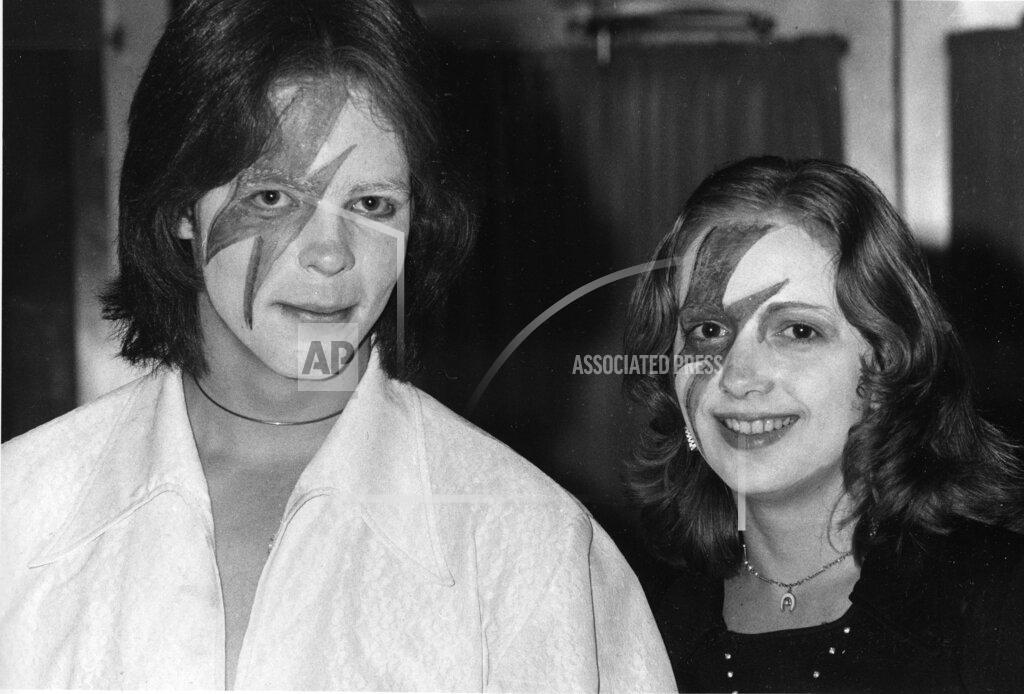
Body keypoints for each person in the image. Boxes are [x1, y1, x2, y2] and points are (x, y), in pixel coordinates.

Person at [0, 1, 675, 690]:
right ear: (179, 207)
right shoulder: (18, 510)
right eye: (272, 197)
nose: (329, 253)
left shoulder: (531, 546)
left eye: (371, 204)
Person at [624, 156, 1024, 693]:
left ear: (886, 362)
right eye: (709, 330)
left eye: (797, 331)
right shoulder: (641, 623)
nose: (738, 378)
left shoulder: (998, 602)